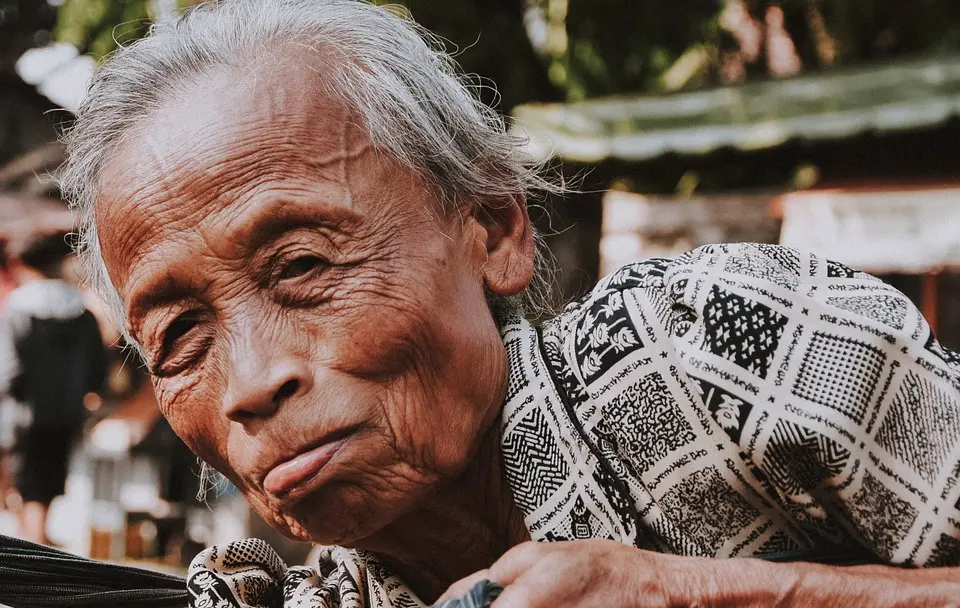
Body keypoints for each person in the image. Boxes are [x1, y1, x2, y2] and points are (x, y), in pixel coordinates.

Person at [57, 0, 959, 605]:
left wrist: (695, 590)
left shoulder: (713, 344)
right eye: (179, 337)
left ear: (492, 231)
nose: (251, 383)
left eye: (301, 266)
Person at [0, 236, 106, 545]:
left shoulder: (18, 309)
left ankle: (33, 540)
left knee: (27, 475)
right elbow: (97, 367)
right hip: (67, 410)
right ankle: (37, 534)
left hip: (23, 411)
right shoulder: (82, 313)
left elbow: (8, 368)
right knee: (50, 474)